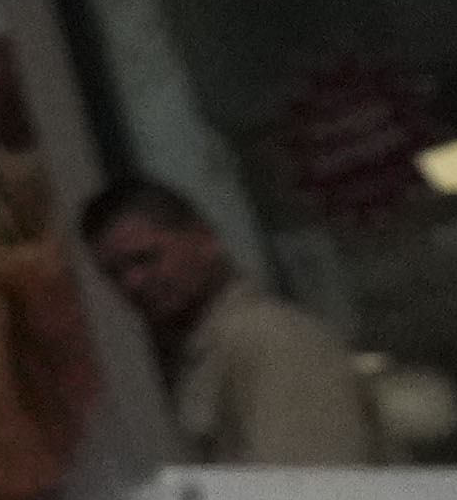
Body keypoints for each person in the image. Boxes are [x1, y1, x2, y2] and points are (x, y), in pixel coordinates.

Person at [83, 173, 390, 468]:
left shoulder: (267, 338)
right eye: (115, 273)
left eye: (146, 258)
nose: (133, 282)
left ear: (204, 241)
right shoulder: (211, 351)